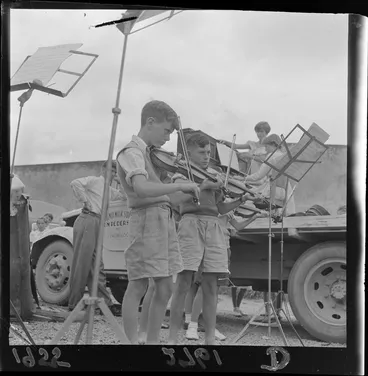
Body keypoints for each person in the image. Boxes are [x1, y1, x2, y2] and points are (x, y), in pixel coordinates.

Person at [116, 100, 200, 345]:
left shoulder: (149, 155)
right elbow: (141, 188)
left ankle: (151, 343)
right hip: (145, 222)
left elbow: (167, 196)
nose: (168, 137)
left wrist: (195, 188)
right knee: (138, 285)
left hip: (161, 220)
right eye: (166, 131)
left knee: (165, 288)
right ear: (150, 122)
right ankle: (131, 343)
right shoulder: (131, 152)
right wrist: (180, 184)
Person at [167, 132, 248, 345]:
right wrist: (203, 186)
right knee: (184, 282)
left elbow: (220, 207)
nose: (206, 157)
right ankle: (173, 338)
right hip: (191, 223)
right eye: (201, 152)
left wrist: (241, 199)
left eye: (209, 152)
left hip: (213, 226)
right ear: (189, 152)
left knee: (211, 284)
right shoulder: (181, 174)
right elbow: (176, 201)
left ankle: (210, 338)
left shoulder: (213, 175)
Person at [68, 160, 124, 316]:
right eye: (111, 170)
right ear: (103, 169)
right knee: (82, 262)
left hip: (98, 222)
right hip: (88, 218)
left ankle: (104, 303)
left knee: (97, 265)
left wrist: (121, 181)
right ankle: (75, 303)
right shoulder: (95, 181)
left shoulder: (110, 190)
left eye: (115, 171)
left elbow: (124, 197)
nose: (113, 173)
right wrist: (85, 201)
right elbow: (75, 183)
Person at [242, 133, 295, 216]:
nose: (265, 150)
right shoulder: (284, 156)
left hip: (273, 191)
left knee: (246, 197)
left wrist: (242, 178)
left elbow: (258, 176)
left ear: (273, 145)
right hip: (285, 191)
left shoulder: (271, 156)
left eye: (266, 146)